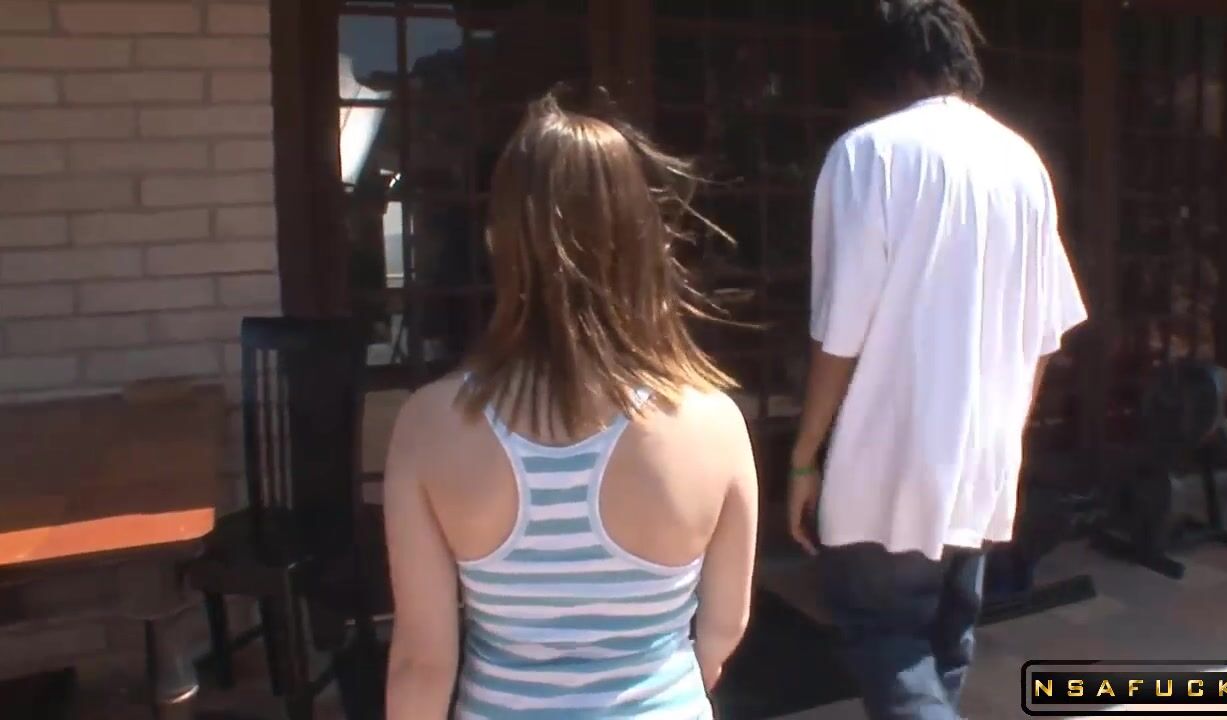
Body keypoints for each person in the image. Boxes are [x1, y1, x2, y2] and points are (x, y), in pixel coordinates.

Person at [382, 87, 759, 719]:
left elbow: (422, 661)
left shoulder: (430, 424)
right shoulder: (714, 422)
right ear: (642, 239)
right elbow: (723, 628)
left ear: (501, 240)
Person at [787, 2, 1088, 719]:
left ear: (881, 68)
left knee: (886, 636)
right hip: (982, 457)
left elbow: (840, 331)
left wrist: (804, 455)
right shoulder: (1023, 162)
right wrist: (1006, 435)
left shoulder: (868, 154)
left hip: (888, 460)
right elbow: (1045, 332)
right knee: (947, 642)